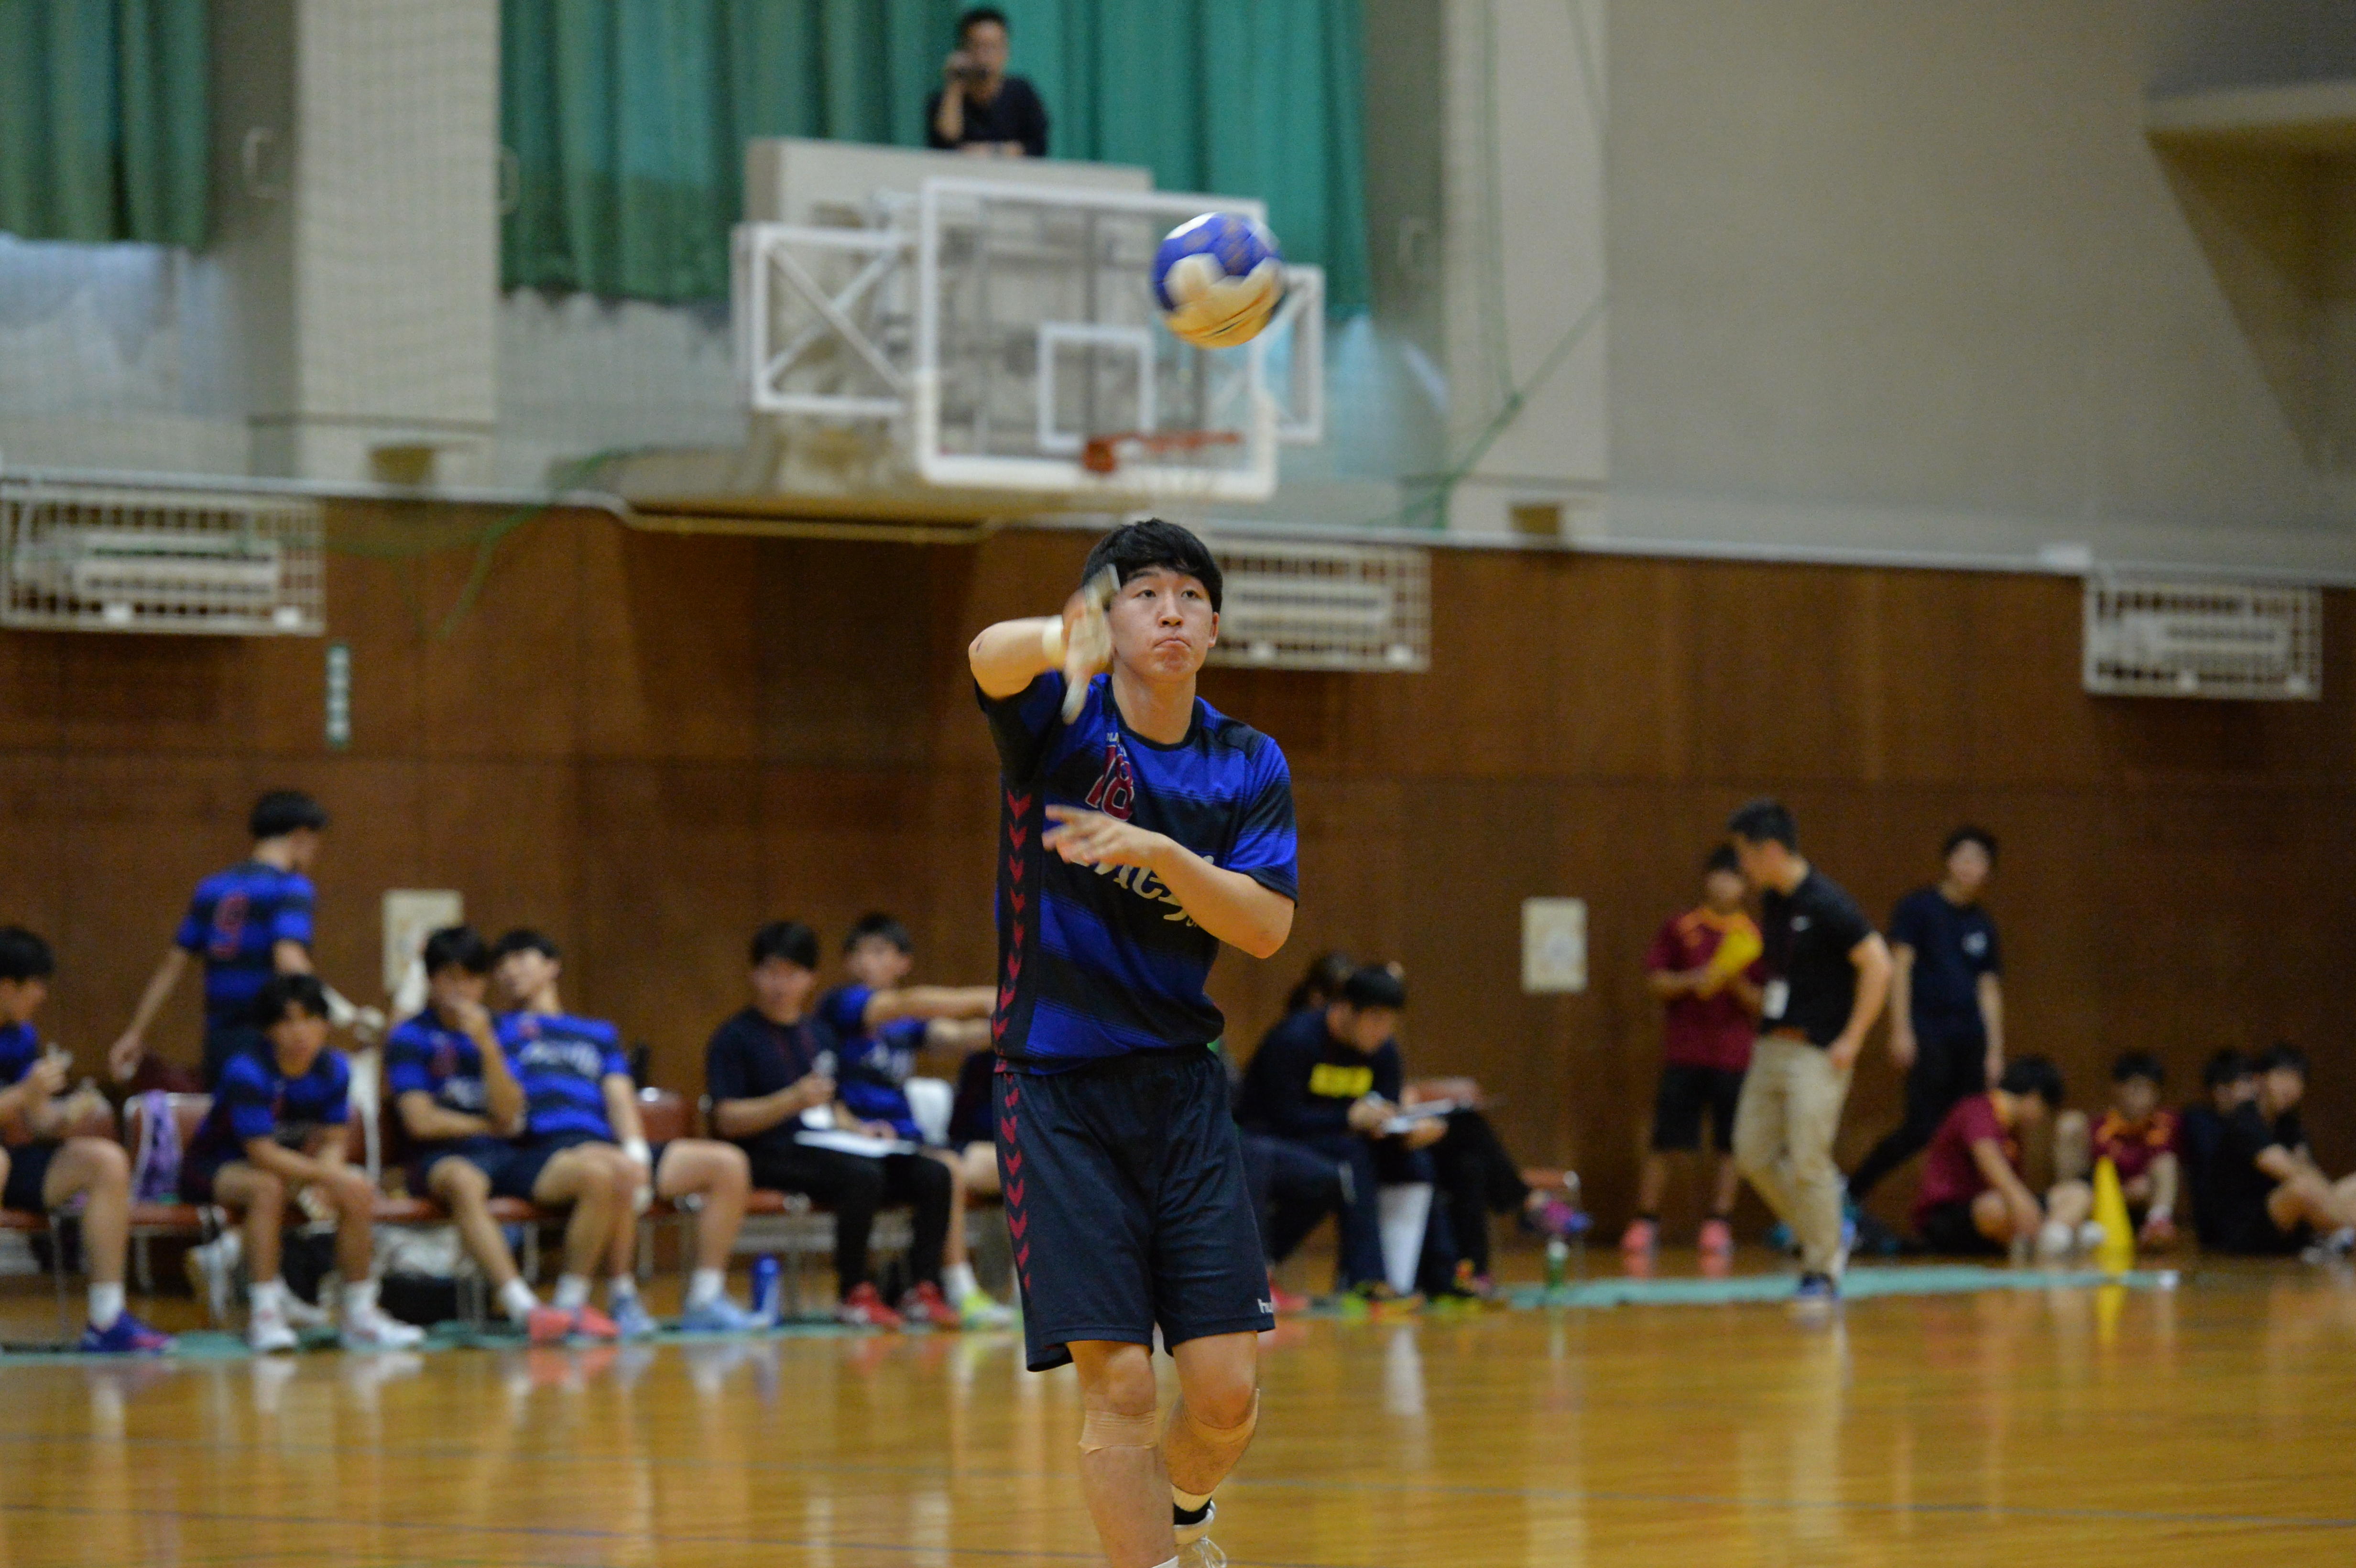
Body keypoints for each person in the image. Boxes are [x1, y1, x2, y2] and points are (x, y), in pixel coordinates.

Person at [970, 518, 1296, 1568]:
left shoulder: (1245, 760)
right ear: (1106, 618)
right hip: (1055, 1089)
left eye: (1191, 596)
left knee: (1225, 1399)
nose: (1171, 609)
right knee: (1117, 1386)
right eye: (1145, 592)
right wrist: (1065, 636)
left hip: (1182, 1092)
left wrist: (1159, 852)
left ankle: (1186, 1511)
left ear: (1213, 627)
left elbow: (1261, 924)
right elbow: (986, 657)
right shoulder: (1063, 720)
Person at [491, 929, 757, 1335]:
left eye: (521, 958)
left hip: (606, 1142)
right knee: (619, 1170)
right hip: (548, 1147)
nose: (510, 971)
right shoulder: (496, 1030)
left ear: (552, 966)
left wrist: (635, 1147)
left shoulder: (597, 1033)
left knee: (727, 1164)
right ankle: (622, 1296)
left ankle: (705, 1298)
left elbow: (618, 1095)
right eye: (502, 964)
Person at [706, 920, 960, 1330]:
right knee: (861, 1176)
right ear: (755, 974)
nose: (780, 984)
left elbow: (835, 1105)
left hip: (827, 1145)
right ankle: (854, 1291)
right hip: (768, 1150)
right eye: (771, 972)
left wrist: (864, 1131)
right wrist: (790, 1100)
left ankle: (920, 1286)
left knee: (934, 1173)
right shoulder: (735, 1037)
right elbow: (727, 1118)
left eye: (791, 974)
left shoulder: (819, 1034)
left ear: (810, 979)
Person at [180, 974, 424, 1351]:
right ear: (268, 1029)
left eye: (310, 1019)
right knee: (266, 1188)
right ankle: (264, 1315)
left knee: (356, 1189)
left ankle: (359, 1315)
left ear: (325, 1024)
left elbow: (334, 1140)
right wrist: (327, 1175)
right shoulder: (248, 1070)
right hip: (217, 1166)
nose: (300, 1032)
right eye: (287, 1021)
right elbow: (260, 1153)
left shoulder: (334, 1069)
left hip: (288, 1167)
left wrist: (330, 1180)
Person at [385, 926, 603, 1343]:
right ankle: (523, 1306)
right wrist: (486, 1126)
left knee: (598, 1177)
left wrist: (486, 1046)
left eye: (472, 977)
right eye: (451, 977)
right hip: (440, 1156)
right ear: (432, 980)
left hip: (507, 1154)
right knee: (464, 1182)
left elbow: (511, 1112)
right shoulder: (410, 1037)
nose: (462, 989)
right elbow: (421, 1122)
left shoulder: (504, 1032)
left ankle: (569, 1305)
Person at [1726, 797, 1892, 1307]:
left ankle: (1822, 1268)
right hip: (1772, 1044)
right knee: (1750, 1151)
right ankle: (1827, 1231)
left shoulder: (1826, 901)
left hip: (1817, 1053)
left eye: (1745, 856)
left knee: (1808, 1160)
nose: (1741, 867)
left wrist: (1853, 1037)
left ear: (1771, 850)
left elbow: (1878, 964)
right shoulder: (1774, 900)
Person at [817, 911, 1012, 1326]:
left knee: (1017, 1162)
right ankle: (959, 1287)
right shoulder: (843, 1004)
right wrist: (987, 997)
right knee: (946, 1170)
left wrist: (1013, 1021)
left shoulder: (907, 1024)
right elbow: (909, 1001)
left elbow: (956, 1037)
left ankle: (1036, 1291)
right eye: (860, 954)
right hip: (858, 1140)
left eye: (880, 952)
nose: (869, 962)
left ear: (903, 962)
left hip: (907, 1140)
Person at [111, 789, 360, 1091]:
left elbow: (172, 966)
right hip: (270, 1039)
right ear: (301, 837)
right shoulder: (290, 887)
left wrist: (136, 1033)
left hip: (219, 1040)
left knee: (227, 1129)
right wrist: (340, 1013)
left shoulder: (212, 888)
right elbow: (289, 956)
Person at [0, 927, 173, 1352]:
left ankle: (106, 1317)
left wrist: (66, 1114)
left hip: (10, 1159)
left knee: (105, 1160)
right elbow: (19, 1100)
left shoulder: (21, 1037)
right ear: (6, 986)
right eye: (36, 985)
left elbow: (38, 1122)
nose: (42, 996)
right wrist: (23, 1094)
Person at [1236, 965, 1441, 1303]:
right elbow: (1278, 1115)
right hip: (1272, 1139)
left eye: (1391, 1021)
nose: (1383, 1031)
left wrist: (1403, 1129)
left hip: (1340, 1139)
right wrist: (1348, 1117)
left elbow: (1387, 1107)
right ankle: (1365, 1279)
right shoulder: (1294, 1039)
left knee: (1416, 1162)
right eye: (1375, 1019)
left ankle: (1435, 1276)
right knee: (1351, 1158)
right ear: (1345, 1010)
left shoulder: (1385, 1052)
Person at [1847, 827, 2005, 1205]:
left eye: (1980, 860)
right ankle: (1852, 1191)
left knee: (1970, 1130)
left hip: (1971, 1039)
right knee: (1922, 1128)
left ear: (1989, 871)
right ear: (1949, 861)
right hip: (1929, 1032)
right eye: (1964, 857)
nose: (1970, 867)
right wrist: (1901, 1030)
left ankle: (1958, 1211)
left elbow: (1989, 990)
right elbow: (1899, 969)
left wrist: (1995, 1051)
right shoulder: (1918, 909)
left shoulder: (1983, 924)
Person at [1627, 846, 1762, 1261]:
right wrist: (1694, 979)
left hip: (1734, 1056)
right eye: (1720, 875)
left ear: (1745, 885)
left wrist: (1733, 981)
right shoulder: (1680, 927)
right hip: (1685, 1053)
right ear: (1707, 878)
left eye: (1735, 877)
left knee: (1730, 1144)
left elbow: (1764, 1003)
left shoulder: (1753, 937)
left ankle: (1719, 1222)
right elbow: (1655, 982)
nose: (1726, 884)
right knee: (1666, 1140)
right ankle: (1646, 1220)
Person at [1910, 1056, 2093, 1258]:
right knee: (1997, 1205)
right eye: (2045, 1111)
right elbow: (1990, 1162)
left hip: (2002, 1208)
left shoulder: (2013, 1132)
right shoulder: (1977, 1108)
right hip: (1950, 1217)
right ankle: (2045, 1240)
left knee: (2079, 1193)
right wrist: (2022, 1204)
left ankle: (2049, 1241)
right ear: (2034, 1097)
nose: (2042, 1120)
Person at [2201, 1044, 2356, 1258]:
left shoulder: (2289, 1124)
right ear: (2258, 1080)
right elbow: (2292, 1173)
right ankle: (2339, 1235)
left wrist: (2334, 1202)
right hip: (2243, 1231)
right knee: (2300, 1187)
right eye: (2283, 1076)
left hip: (2290, 1224)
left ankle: (2337, 1235)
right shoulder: (2244, 1121)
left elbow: (2310, 1169)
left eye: (2297, 1080)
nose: (2290, 1087)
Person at [2057, 1051, 2181, 1248]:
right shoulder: (2100, 1128)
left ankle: (2158, 1221)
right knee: (2071, 1124)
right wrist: (2122, 1193)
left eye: (2151, 1090)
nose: (2144, 1098)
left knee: (2166, 1162)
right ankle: (2065, 1214)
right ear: (2117, 1089)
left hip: (2142, 1207)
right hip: (2102, 1203)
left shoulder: (2164, 1124)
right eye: (2137, 1089)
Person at [927, 7, 1047, 158]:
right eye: (978, 46)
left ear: (1005, 50)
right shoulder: (944, 100)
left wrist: (991, 152)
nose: (985, 56)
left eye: (993, 47)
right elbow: (944, 144)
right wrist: (954, 85)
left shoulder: (1022, 93)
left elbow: (1037, 147)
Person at [2179, 1049, 2255, 1247]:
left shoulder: (2260, 1123)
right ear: (2221, 1091)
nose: (2254, 1090)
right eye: (2246, 1082)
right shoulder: (2199, 1122)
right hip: (2221, 1227)